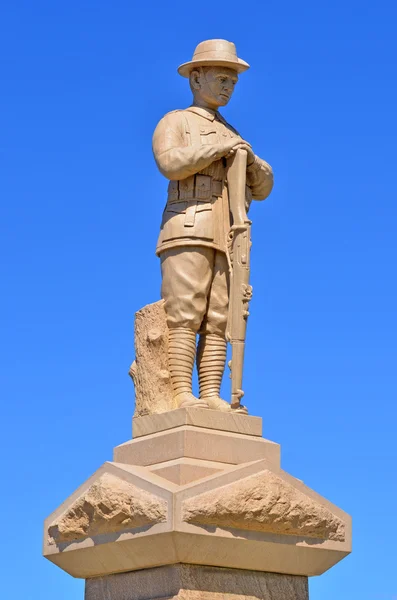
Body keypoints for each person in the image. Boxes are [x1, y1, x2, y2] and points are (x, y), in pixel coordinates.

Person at [152, 39, 273, 413]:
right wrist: (219, 149)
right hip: (187, 226)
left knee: (221, 317)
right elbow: (170, 163)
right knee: (184, 313)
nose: (227, 87)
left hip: (228, 234)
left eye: (232, 81)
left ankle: (211, 394)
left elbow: (264, 187)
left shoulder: (234, 134)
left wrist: (249, 160)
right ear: (196, 78)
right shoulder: (177, 121)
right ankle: (180, 394)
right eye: (221, 77)